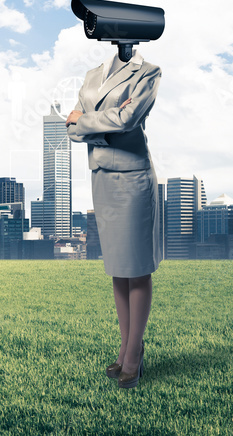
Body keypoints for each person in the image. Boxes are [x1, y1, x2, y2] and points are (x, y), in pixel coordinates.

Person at [66, 48, 162, 389]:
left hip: (132, 178)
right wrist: (103, 122)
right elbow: (71, 129)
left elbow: (128, 120)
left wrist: (87, 121)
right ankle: (125, 347)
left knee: (136, 268)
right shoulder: (93, 74)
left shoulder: (148, 72)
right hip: (102, 175)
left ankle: (134, 353)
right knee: (118, 267)